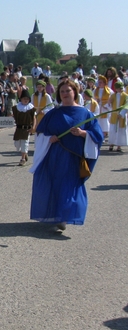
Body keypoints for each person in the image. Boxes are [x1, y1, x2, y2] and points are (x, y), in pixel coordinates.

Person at [29, 79, 103, 231]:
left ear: (75, 92)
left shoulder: (85, 113)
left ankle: (65, 216)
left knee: (69, 186)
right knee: (56, 185)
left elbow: (98, 135)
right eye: (62, 91)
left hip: (73, 158)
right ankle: (59, 215)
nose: (64, 94)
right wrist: (50, 139)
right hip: (55, 156)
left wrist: (83, 133)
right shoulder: (53, 113)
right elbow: (40, 134)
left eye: (68, 91)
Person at [12, 89, 35, 166]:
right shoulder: (16, 108)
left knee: (24, 143)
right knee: (17, 144)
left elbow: (34, 118)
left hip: (27, 128)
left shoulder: (31, 108)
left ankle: (23, 158)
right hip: (18, 128)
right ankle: (25, 153)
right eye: (24, 98)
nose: (25, 100)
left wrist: (33, 128)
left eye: (27, 99)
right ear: (21, 99)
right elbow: (13, 117)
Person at [107, 81, 128, 152]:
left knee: (120, 130)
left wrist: (122, 113)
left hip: (121, 116)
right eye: (118, 88)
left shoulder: (125, 96)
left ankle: (119, 145)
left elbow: (126, 106)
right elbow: (109, 104)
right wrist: (109, 103)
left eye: (121, 88)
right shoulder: (113, 95)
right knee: (113, 130)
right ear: (116, 89)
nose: (120, 90)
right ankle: (111, 144)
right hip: (114, 115)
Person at [94, 75, 112, 141]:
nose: (99, 84)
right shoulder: (95, 90)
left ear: (104, 83)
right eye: (99, 82)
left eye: (101, 82)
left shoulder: (108, 90)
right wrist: (96, 101)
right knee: (98, 121)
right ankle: (99, 134)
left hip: (105, 108)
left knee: (104, 122)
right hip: (98, 107)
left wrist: (106, 105)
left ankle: (104, 134)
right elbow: (93, 99)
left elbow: (111, 99)